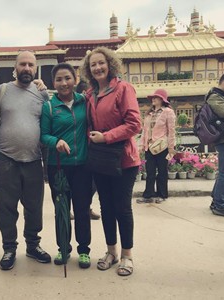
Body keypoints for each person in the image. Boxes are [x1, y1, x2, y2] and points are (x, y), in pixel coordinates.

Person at [81, 47, 141, 276]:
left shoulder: (123, 89)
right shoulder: (89, 94)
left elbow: (135, 124)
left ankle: (127, 255)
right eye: (93, 64)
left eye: (101, 63)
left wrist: (106, 137)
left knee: (122, 208)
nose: (97, 67)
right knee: (106, 207)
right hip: (100, 160)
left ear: (110, 65)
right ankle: (111, 251)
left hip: (124, 159)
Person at [0, 50, 51, 271]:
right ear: (15, 67)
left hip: (34, 160)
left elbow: (49, 124)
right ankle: (9, 248)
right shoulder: (2, 91)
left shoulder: (42, 94)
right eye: (22, 64)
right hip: (5, 158)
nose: (26, 68)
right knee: (6, 207)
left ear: (35, 69)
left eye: (30, 65)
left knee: (34, 207)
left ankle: (33, 245)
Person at [40, 63, 92, 269]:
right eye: (59, 79)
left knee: (81, 209)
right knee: (61, 210)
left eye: (67, 78)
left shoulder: (84, 102)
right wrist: (56, 142)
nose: (64, 83)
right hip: (58, 166)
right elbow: (43, 135)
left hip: (82, 167)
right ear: (54, 82)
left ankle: (84, 251)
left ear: (75, 80)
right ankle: (63, 248)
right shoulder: (49, 107)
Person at [137, 89, 176, 204]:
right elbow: (145, 131)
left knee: (162, 171)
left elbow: (171, 130)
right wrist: (141, 146)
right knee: (150, 171)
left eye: (156, 97)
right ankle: (148, 195)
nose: (153, 99)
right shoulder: (149, 113)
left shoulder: (168, 112)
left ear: (162, 100)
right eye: (153, 97)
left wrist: (171, 147)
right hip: (149, 147)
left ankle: (162, 194)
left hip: (162, 147)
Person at [75, 80, 100, 221]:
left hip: (93, 149)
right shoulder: (76, 107)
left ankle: (87, 207)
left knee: (93, 183)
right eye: (86, 92)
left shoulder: (94, 105)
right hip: (78, 150)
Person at [208, 73, 224, 217]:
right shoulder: (214, 96)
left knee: (223, 173)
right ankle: (220, 204)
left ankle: (216, 200)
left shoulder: (220, 96)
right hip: (223, 139)